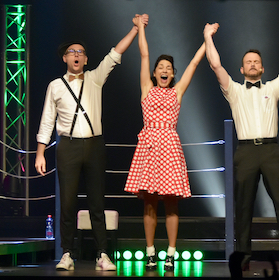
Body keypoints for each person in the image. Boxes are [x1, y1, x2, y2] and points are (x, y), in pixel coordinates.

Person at [35, 14, 144, 271]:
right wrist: (40, 152)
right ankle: (67, 253)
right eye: (72, 52)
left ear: (85, 59)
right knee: (68, 203)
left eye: (80, 52)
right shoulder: (55, 86)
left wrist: (135, 28)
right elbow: (47, 120)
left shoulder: (95, 78)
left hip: (94, 146)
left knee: (97, 202)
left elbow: (115, 53)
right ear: (65, 58)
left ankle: (102, 254)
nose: (76, 55)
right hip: (68, 146)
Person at [203, 20, 279, 272]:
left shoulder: (273, 87)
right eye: (248, 61)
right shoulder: (235, 91)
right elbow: (215, 64)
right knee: (244, 206)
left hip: (271, 150)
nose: (252, 64)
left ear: (262, 67)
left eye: (256, 61)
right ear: (241, 69)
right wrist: (208, 37)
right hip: (246, 151)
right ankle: (244, 257)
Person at [123, 14, 206, 272]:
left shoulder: (177, 92)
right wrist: (140, 29)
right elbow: (144, 55)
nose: (165, 70)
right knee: (149, 203)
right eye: (161, 67)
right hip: (148, 145)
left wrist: (207, 39)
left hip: (169, 145)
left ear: (172, 74)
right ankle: (150, 252)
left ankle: (170, 253)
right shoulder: (146, 88)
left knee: (171, 203)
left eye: (169, 68)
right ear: (155, 72)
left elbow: (193, 63)